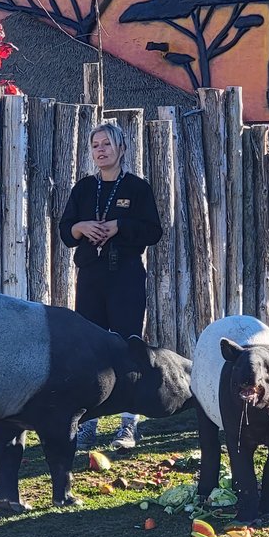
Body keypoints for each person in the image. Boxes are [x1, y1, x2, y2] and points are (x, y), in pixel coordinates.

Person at [58, 121, 163, 452]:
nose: (100, 150)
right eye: (95, 145)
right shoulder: (84, 188)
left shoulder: (137, 188)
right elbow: (64, 231)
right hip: (91, 277)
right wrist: (81, 227)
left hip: (126, 277)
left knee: (127, 347)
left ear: (121, 149)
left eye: (106, 144)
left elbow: (153, 231)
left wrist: (120, 225)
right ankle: (87, 425)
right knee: (89, 350)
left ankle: (128, 423)